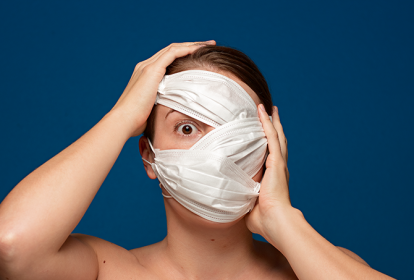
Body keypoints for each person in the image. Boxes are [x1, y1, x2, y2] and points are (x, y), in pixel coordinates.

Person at [0, 40, 394, 280]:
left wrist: (282, 220)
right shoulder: (105, 271)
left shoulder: (318, 267)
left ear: (270, 148)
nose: (217, 155)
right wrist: (122, 118)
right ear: (149, 158)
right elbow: (11, 245)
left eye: (234, 130)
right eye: (187, 128)